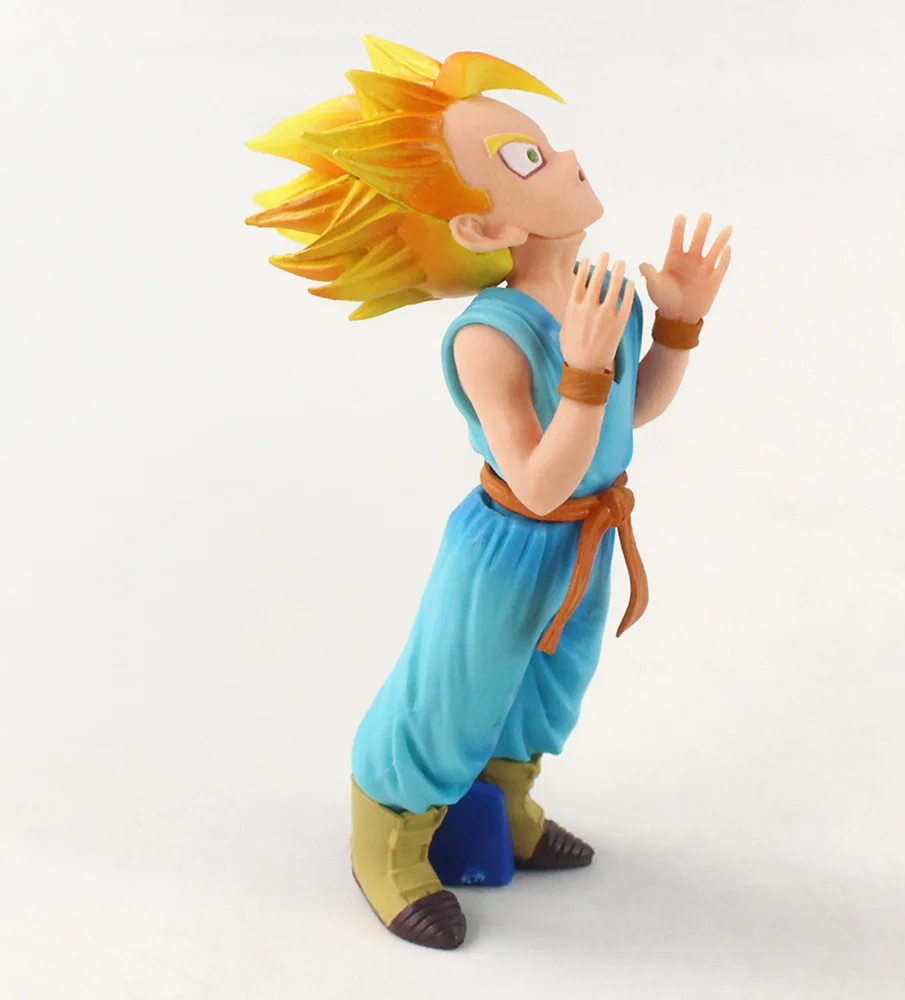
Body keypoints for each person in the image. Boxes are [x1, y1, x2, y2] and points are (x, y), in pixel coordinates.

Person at [247, 34, 732, 950]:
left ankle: (504, 806)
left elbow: (632, 415)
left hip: (585, 539)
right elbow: (538, 482)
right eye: (527, 160)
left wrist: (677, 325)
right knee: (454, 694)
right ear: (481, 228)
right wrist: (582, 373)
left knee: (547, 689)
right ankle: (389, 837)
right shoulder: (490, 336)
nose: (567, 157)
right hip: (511, 544)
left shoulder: (601, 298)